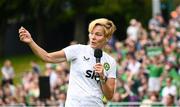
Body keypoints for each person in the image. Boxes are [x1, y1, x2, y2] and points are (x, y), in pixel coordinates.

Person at [18, 18, 117, 107]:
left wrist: (103, 78)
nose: (93, 37)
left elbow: (109, 96)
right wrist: (30, 41)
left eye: (98, 34)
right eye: (91, 33)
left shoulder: (110, 62)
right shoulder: (77, 50)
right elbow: (47, 57)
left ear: (107, 38)